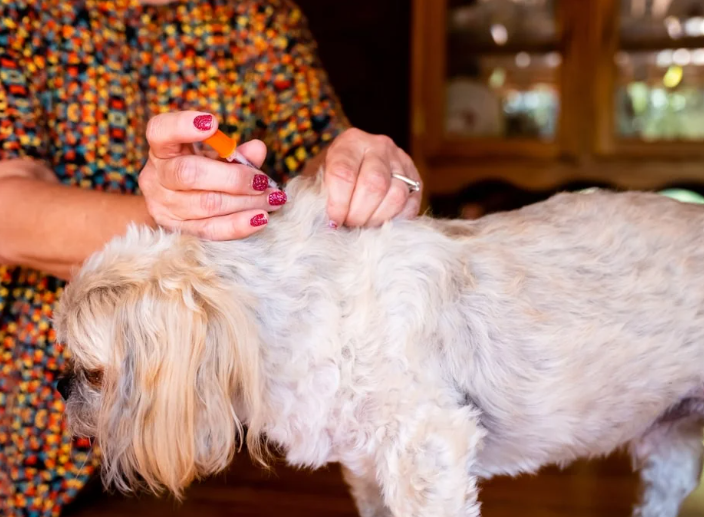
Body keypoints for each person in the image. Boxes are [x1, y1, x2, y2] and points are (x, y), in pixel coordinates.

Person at [0, 1, 422, 515]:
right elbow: (8, 208)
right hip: (42, 440)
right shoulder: (18, 14)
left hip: (241, 425)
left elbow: (316, 161)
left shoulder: (255, 13)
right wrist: (174, 230)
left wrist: (357, 172)